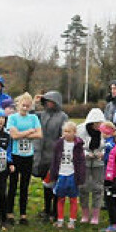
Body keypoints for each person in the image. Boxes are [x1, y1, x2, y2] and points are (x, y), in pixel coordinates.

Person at [6, 93, 42, 225]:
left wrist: (25, 134)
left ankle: (23, 214)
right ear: (18, 105)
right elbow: (14, 135)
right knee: (13, 184)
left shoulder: (33, 118)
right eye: (23, 105)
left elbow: (39, 134)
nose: (25, 108)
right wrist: (28, 132)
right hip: (15, 155)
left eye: (28, 106)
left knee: (25, 186)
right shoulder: (12, 118)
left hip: (28, 155)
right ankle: (9, 213)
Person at [34, 91, 67, 222]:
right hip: (43, 155)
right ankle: (47, 210)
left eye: (51, 101)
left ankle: (55, 211)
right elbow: (28, 115)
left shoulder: (63, 117)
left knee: (56, 186)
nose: (49, 103)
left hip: (55, 155)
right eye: (47, 101)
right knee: (46, 185)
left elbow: (64, 136)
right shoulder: (42, 115)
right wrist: (34, 103)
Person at [51, 122, 86, 229]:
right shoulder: (59, 144)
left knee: (73, 199)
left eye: (68, 131)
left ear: (74, 132)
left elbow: (81, 162)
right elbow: (54, 160)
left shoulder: (78, 145)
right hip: (61, 175)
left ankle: (72, 221)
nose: (66, 134)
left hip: (72, 175)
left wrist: (80, 176)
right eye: (64, 131)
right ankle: (60, 220)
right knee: (60, 198)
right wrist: (53, 173)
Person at [77, 108, 106, 225]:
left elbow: (108, 146)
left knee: (98, 188)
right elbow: (77, 146)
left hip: (99, 164)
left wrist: (102, 154)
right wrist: (85, 154)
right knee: (83, 187)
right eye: (96, 123)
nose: (98, 126)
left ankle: (95, 215)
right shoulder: (80, 130)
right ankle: (85, 214)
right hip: (84, 163)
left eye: (100, 123)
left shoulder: (105, 130)